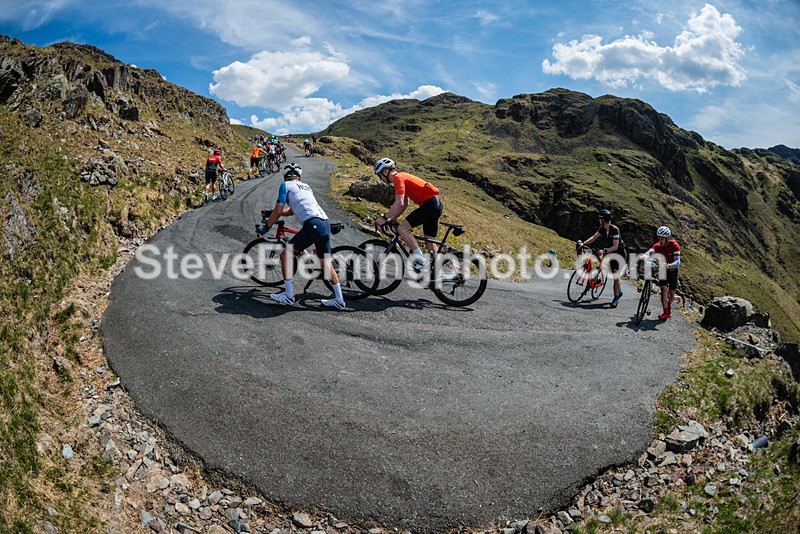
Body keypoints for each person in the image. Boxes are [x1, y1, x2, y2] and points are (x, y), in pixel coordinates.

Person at [261, 163, 346, 310]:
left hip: (312, 224)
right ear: (299, 177)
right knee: (326, 263)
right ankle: (339, 299)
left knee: (285, 256)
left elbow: (280, 208)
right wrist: (274, 213)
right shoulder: (305, 187)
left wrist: (266, 226)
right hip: (324, 223)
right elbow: (292, 210)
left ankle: (288, 296)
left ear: (285, 176)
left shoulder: (285, 185)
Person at [372, 158, 442, 270]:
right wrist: (393, 218)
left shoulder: (398, 178)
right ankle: (437, 273)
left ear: (385, 172)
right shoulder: (401, 177)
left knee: (402, 229)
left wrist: (384, 218)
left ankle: (420, 259)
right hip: (435, 205)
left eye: (379, 176)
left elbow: (398, 203)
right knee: (429, 242)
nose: (380, 179)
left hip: (430, 205)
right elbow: (404, 204)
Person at [577, 208, 628, 307]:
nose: (599, 220)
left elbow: (615, 246)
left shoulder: (615, 229)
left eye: (600, 219)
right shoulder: (603, 228)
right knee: (600, 265)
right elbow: (594, 237)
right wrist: (583, 244)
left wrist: (604, 251)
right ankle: (595, 282)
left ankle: (616, 298)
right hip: (610, 252)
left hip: (619, 253)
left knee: (616, 277)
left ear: (604, 219)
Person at [646, 226, 681, 320]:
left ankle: (669, 307)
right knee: (663, 291)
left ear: (667, 238)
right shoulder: (657, 246)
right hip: (663, 271)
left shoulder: (674, 245)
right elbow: (649, 252)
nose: (660, 240)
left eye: (662, 238)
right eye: (659, 238)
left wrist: (669, 265)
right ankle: (665, 312)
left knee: (671, 293)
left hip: (673, 271)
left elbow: (678, 262)